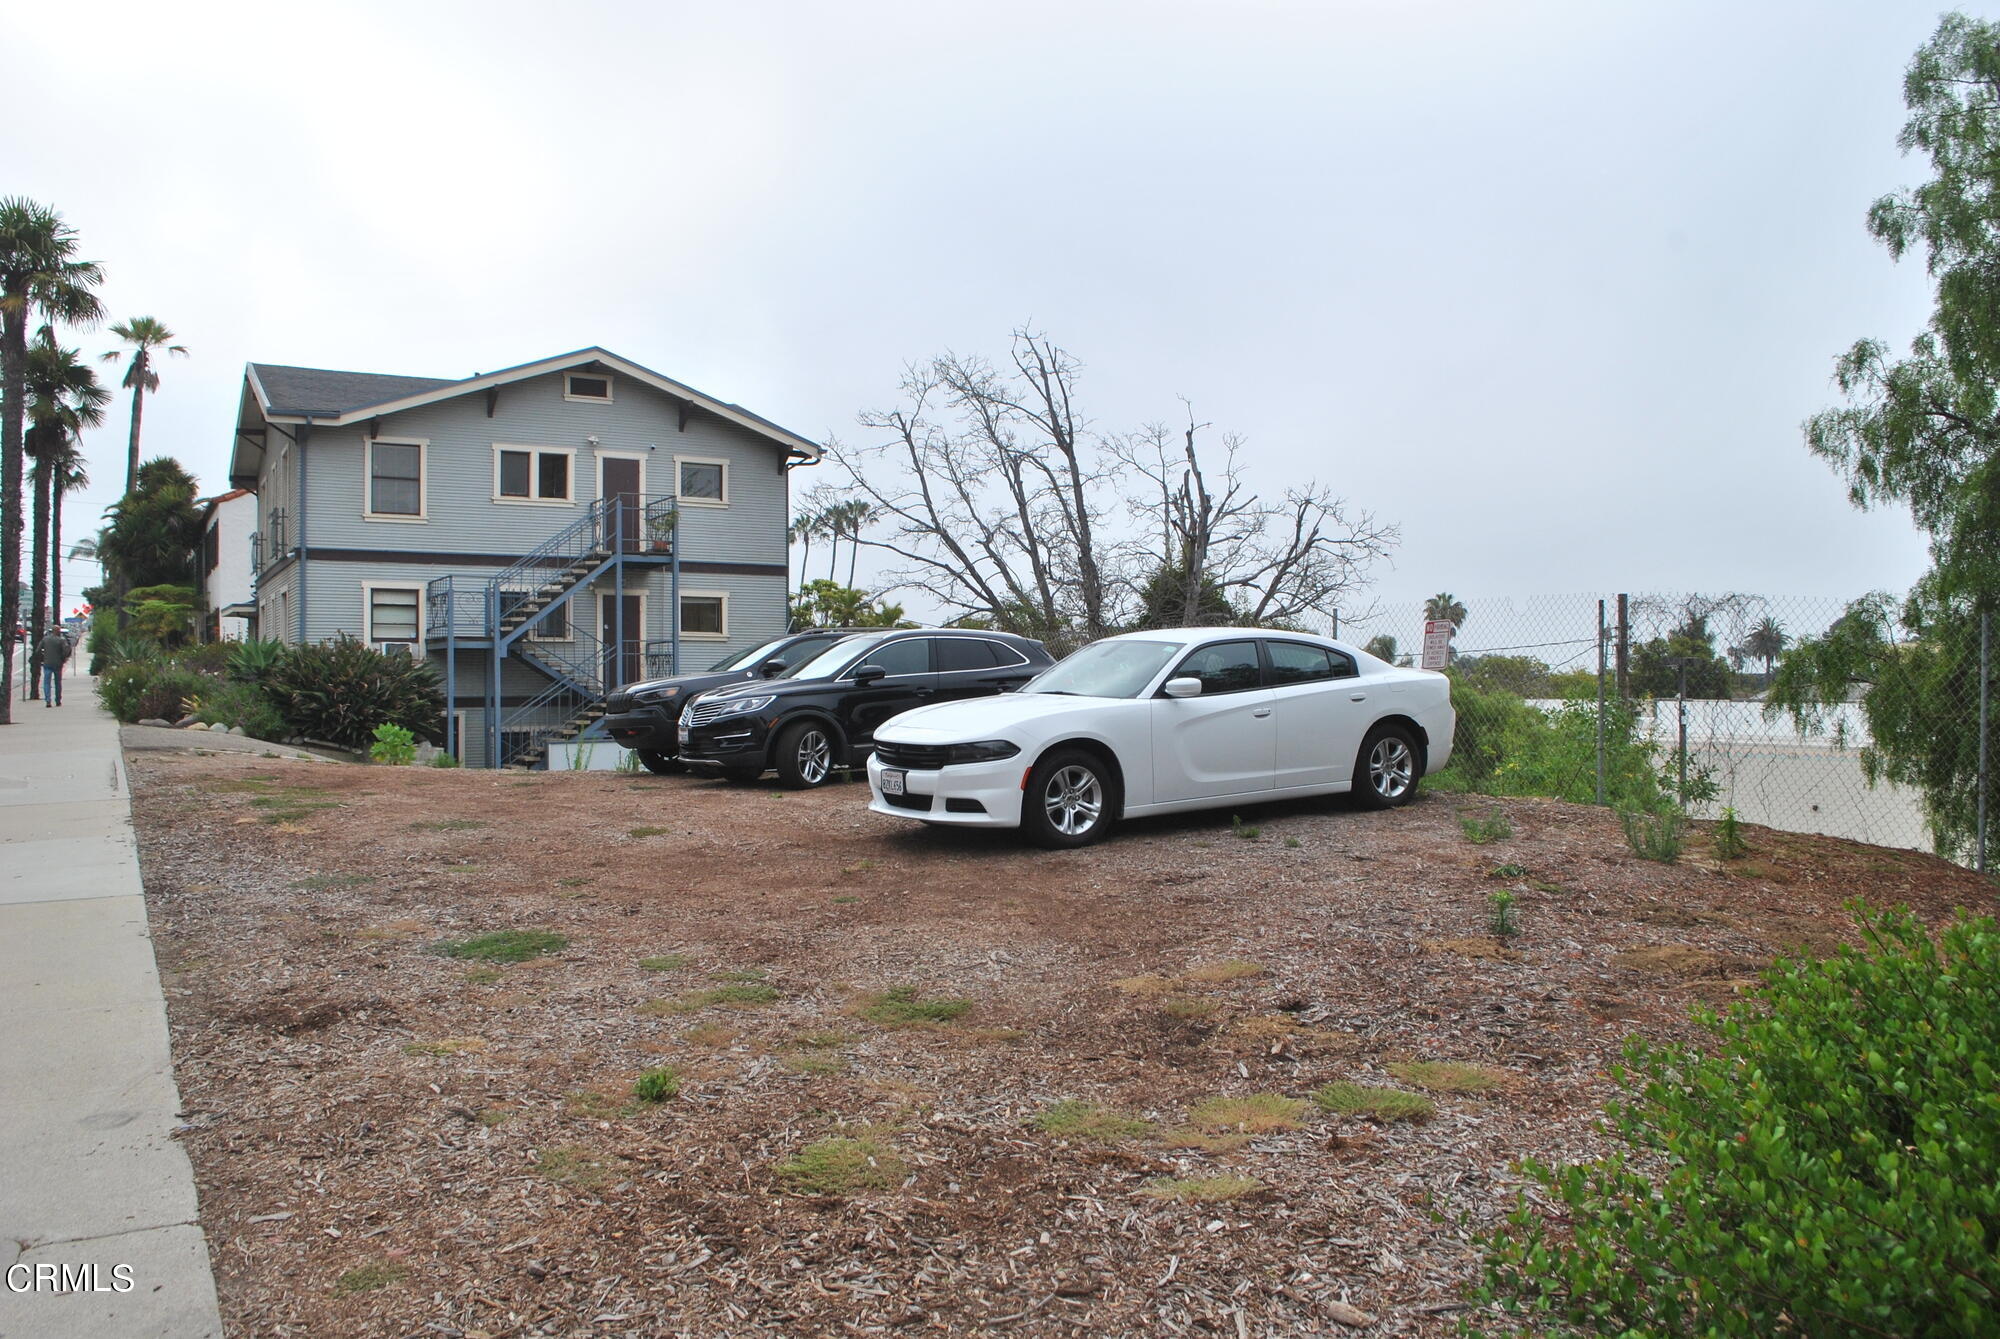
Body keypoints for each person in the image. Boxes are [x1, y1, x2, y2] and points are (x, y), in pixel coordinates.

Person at [35, 624, 70, 707]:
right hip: (58, 664)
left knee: (46, 682)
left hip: (47, 663)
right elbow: (66, 651)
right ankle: (58, 700)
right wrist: (63, 658)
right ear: (58, 631)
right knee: (58, 683)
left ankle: (48, 700)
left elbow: (37, 650)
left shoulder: (45, 639)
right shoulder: (61, 640)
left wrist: (42, 657)